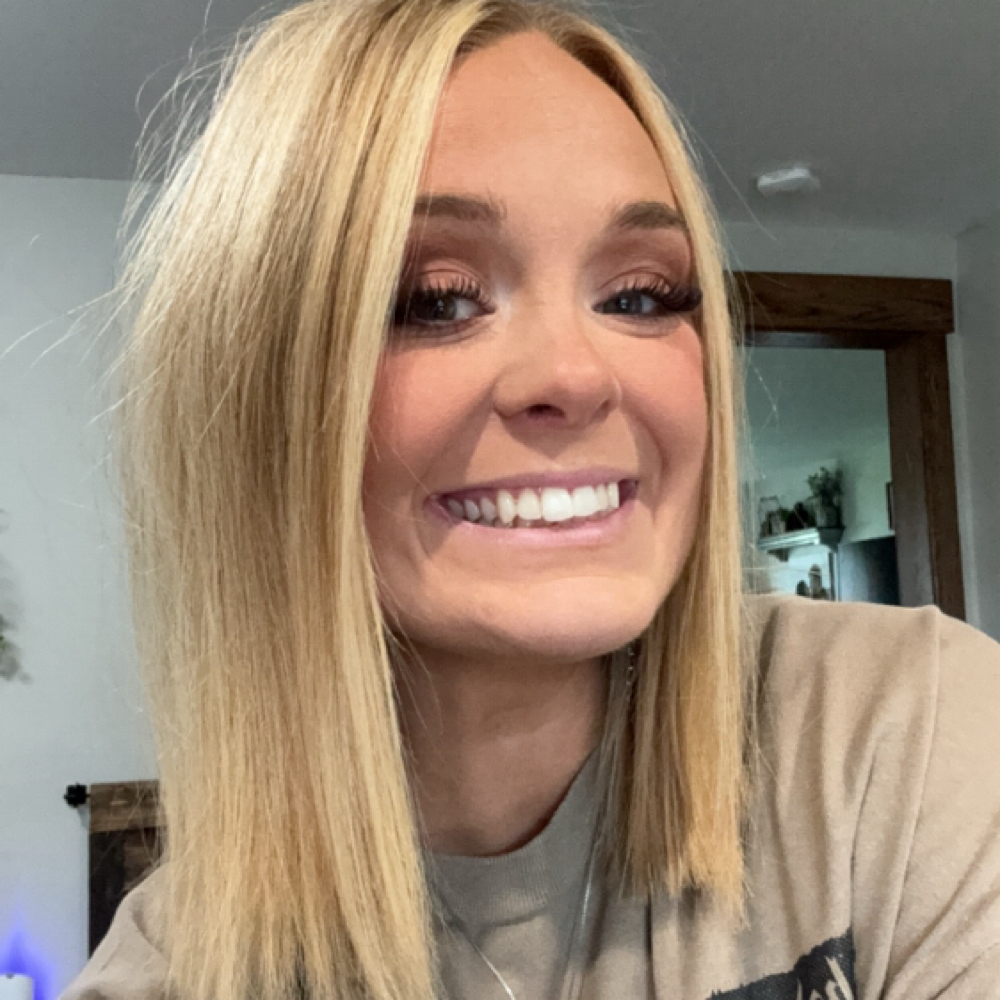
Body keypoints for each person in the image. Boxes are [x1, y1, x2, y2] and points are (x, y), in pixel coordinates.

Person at [62, 1, 1000, 998]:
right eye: (435, 299)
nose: (578, 375)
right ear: (256, 399)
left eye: (637, 295)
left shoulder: (906, 730)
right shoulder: (170, 974)